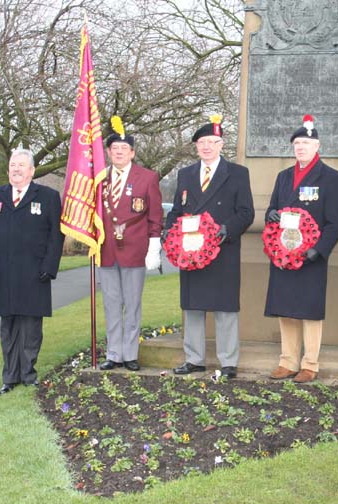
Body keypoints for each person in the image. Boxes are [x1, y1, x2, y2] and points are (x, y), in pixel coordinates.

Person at [165, 115, 255, 379]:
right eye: (202, 142)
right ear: (196, 146)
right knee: (193, 306)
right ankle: (194, 359)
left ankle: (228, 362)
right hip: (190, 253)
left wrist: (224, 230)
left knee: (225, 308)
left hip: (222, 250)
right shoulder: (185, 174)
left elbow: (246, 212)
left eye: (212, 142)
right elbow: (177, 211)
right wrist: (168, 233)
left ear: (221, 144)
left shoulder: (237, 174)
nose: (206, 147)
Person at [265, 115, 338, 383]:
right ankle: (287, 362)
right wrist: (272, 215)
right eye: (297, 143)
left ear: (317, 146)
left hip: (310, 257)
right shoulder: (283, 176)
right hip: (283, 254)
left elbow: (335, 223)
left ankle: (310, 364)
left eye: (306, 143)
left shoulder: (332, 178)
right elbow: (271, 210)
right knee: (286, 309)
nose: (301, 147)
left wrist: (319, 250)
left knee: (309, 311)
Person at [0, 148, 64, 395]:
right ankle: (10, 376)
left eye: (21, 166)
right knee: (9, 327)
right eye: (12, 166)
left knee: (30, 327)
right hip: (4, 273)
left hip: (35, 273)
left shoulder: (47, 196)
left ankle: (28, 374)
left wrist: (49, 267)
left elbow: (55, 236)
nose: (16, 170)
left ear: (31, 171)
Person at [97, 117, 163, 372]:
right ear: (109, 152)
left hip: (135, 250)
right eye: (115, 149)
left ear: (132, 153)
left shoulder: (147, 178)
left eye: (124, 149)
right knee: (111, 304)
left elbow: (155, 215)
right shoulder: (99, 179)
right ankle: (114, 353)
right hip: (106, 251)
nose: (120, 153)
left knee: (132, 304)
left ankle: (130, 354)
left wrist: (153, 247)